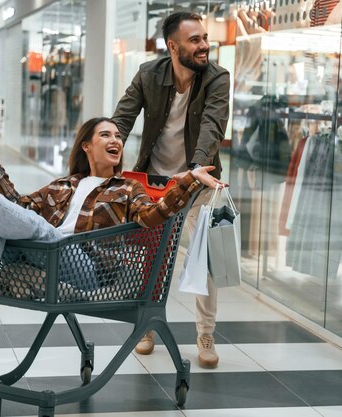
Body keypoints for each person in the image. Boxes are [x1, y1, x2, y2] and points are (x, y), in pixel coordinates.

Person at [0, 117, 225, 330]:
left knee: (32, 225)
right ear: (86, 146)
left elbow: (152, 215)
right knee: (0, 220)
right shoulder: (63, 184)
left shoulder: (127, 189)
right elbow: (16, 208)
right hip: (47, 253)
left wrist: (188, 180)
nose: (115, 141)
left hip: (86, 268)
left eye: (119, 136)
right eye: (106, 135)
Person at [112, 10, 230, 368]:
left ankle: (205, 333)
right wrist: (108, 154)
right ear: (172, 46)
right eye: (195, 40)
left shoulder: (217, 78)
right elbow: (123, 118)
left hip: (200, 181)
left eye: (205, 38)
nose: (204, 46)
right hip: (155, 183)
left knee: (203, 259)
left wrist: (194, 170)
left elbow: (212, 124)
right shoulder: (149, 74)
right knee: (153, 259)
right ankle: (146, 326)